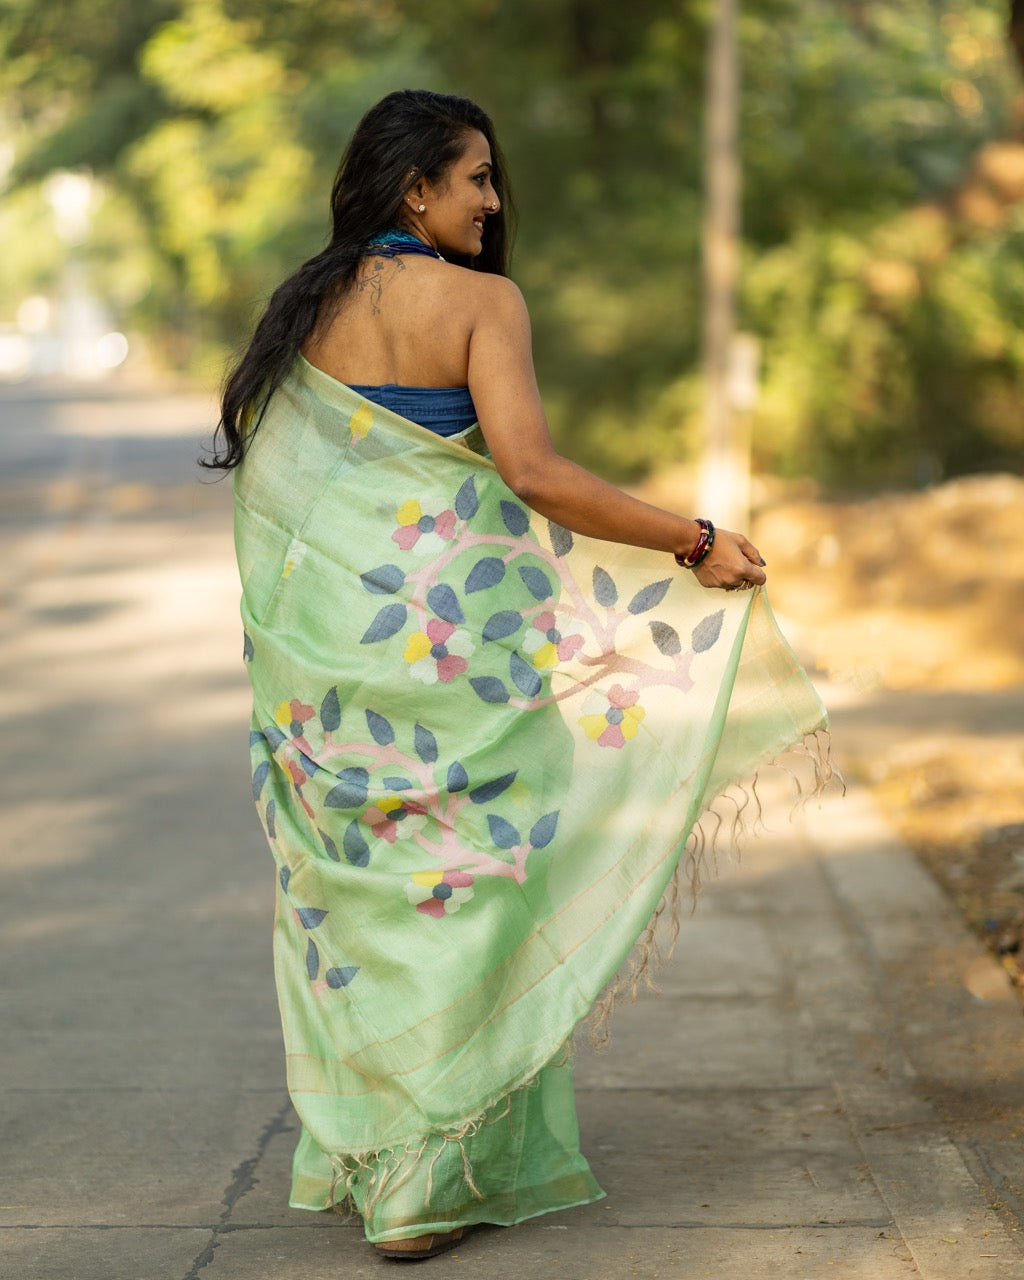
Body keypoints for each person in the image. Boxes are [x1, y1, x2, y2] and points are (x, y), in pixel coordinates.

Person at [209, 89, 826, 1260]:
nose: (494, 202)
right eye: (477, 177)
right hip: (458, 655)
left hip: (337, 666)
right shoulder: (483, 302)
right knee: (472, 884)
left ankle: (383, 1152)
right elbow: (532, 472)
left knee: (370, 897)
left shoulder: (310, 304)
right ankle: (422, 1179)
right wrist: (690, 539)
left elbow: (282, 496)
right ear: (415, 189)